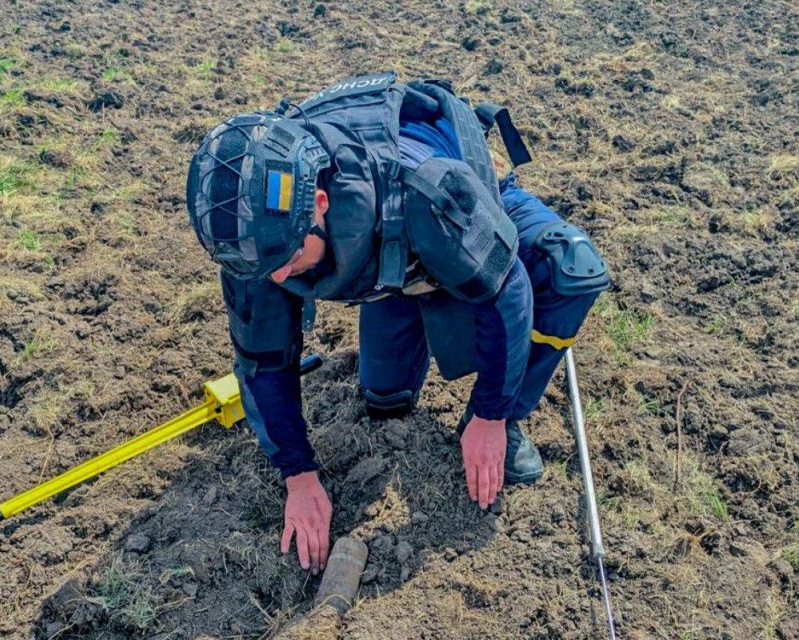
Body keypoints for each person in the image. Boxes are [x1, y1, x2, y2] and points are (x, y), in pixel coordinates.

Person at [185, 72, 609, 576]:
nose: (277, 276)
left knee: (573, 269)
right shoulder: (257, 239)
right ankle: (409, 300)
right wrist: (298, 474)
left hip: (460, 208)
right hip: (387, 261)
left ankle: (508, 417)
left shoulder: (427, 196)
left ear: (319, 206)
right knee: (385, 402)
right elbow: (263, 362)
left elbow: (506, 289)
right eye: (264, 267)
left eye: (289, 258)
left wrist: (491, 415)